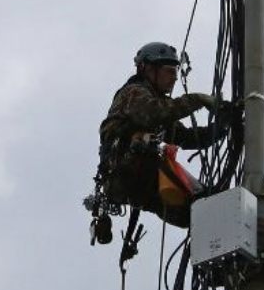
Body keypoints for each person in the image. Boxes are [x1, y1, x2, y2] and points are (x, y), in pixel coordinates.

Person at [93, 42, 229, 234]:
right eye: (169, 71)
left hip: (141, 179)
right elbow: (156, 113)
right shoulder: (133, 93)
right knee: (196, 201)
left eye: (175, 72)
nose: (174, 78)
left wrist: (222, 127)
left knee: (193, 211)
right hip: (127, 168)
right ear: (147, 69)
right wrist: (198, 99)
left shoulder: (158, 105)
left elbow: (185, 137)